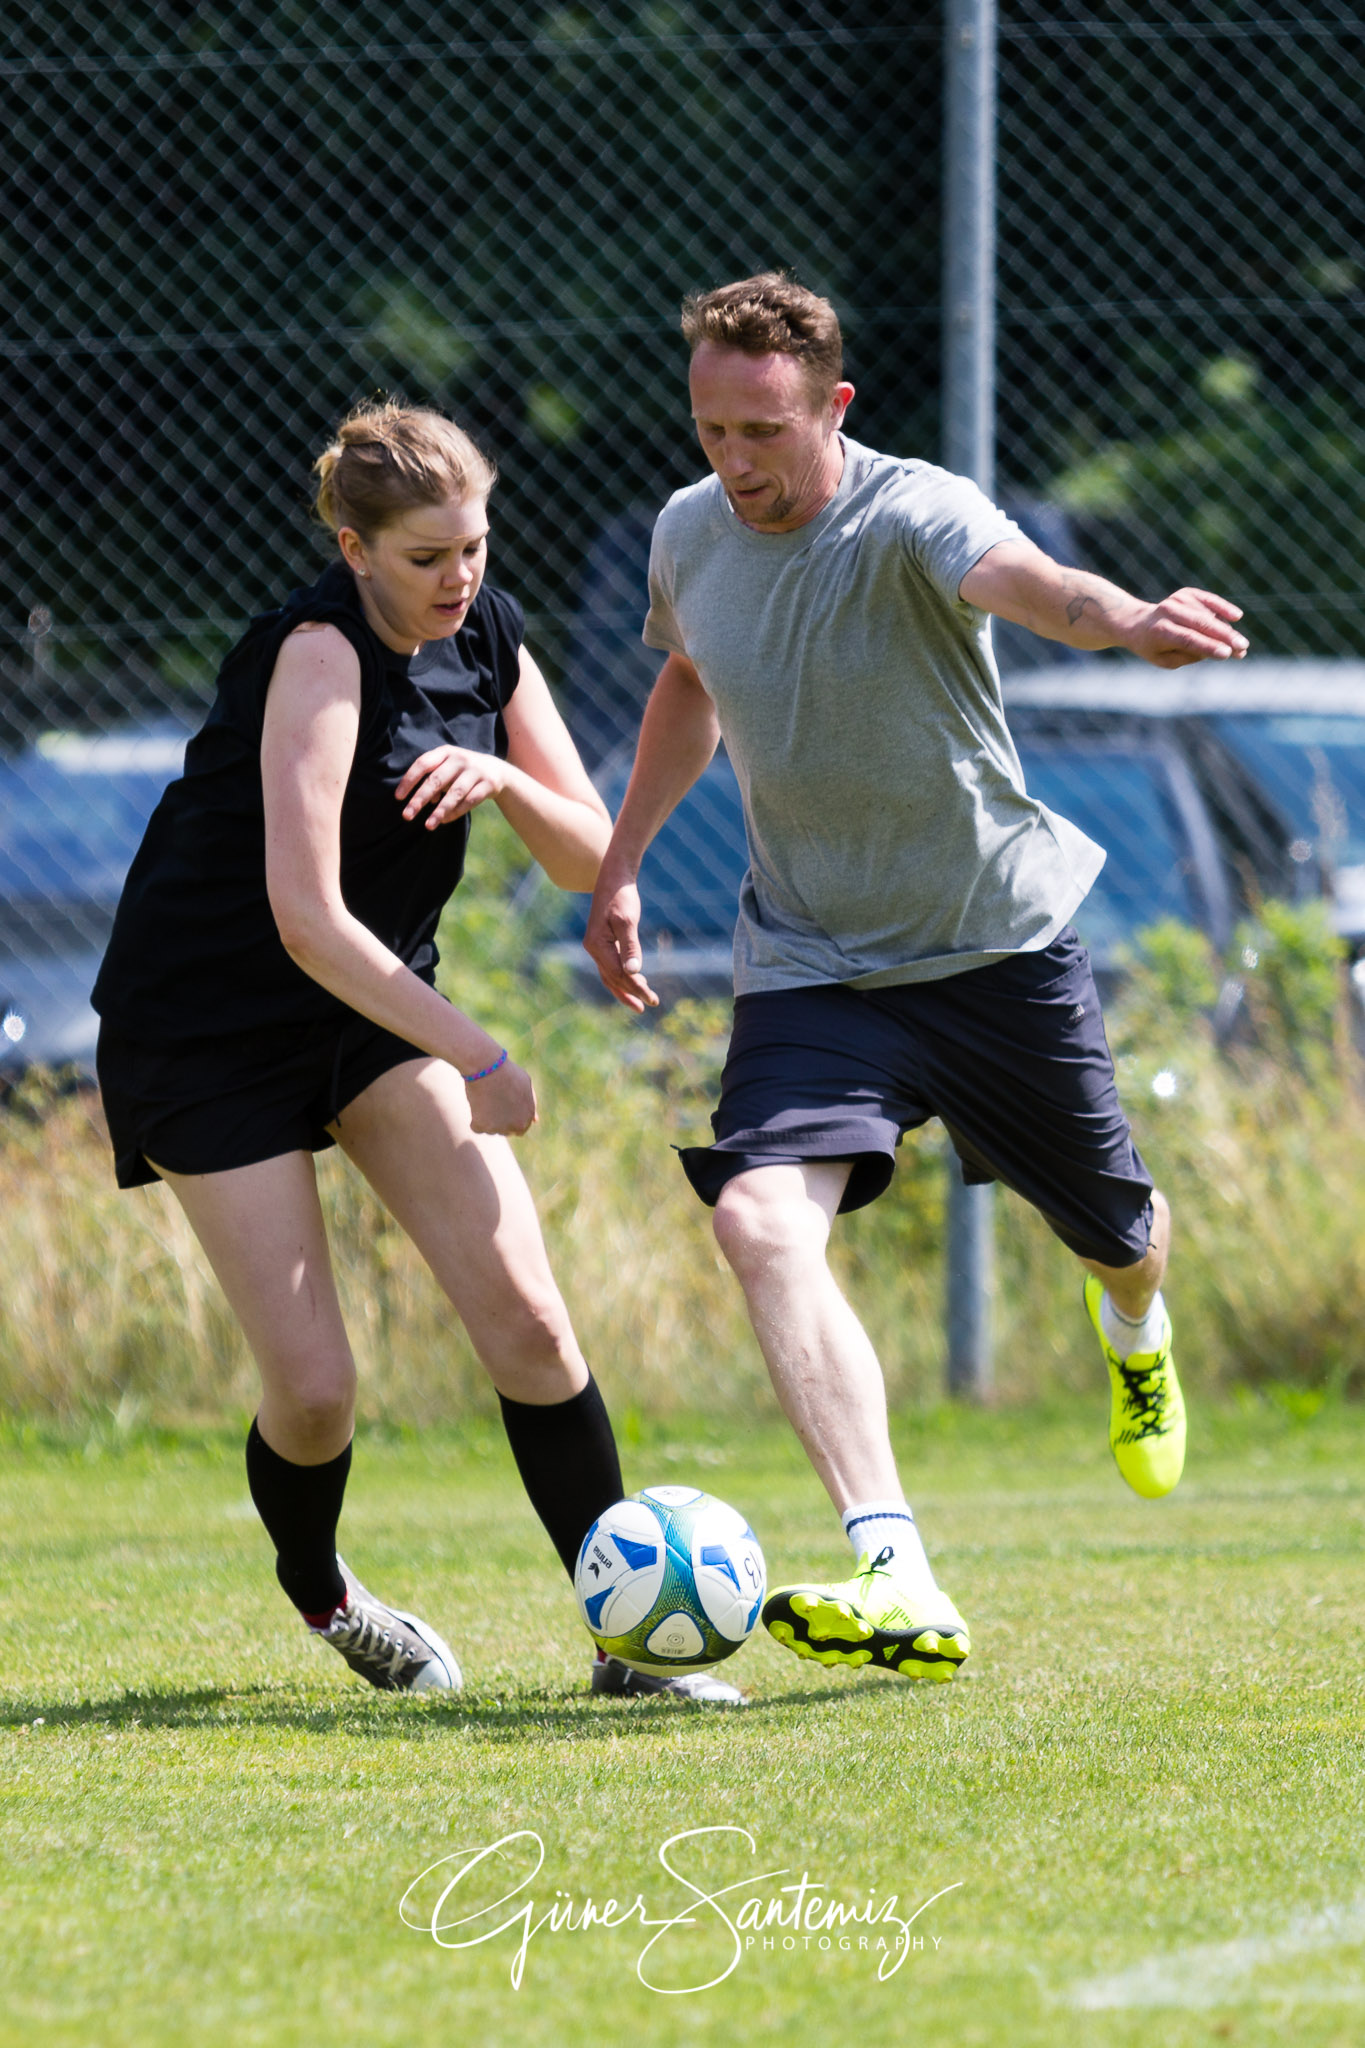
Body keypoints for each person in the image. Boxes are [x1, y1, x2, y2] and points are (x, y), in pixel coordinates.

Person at [585, 275, 1249, 1684]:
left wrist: (1123, 617)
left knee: (1116, 1234)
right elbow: (688, 679)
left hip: (990, 946)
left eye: (761, 428)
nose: (734, 461)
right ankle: (897, 1569)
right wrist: (622, 858)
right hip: (811, 960)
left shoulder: (909, 508)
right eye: (710, 428)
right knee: (760, 1222)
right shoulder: (687, 530)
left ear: (830, 406)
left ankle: (1133, 1326)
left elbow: (1033, 585)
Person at [92, 400, 743, 1703]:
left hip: (369, 1019)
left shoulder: (488, 638)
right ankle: (326, 1594)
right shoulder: (316, 657)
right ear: (353, 547)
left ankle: (627, 1654)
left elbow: (581, 851)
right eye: (426, 557)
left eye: (476, 549)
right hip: (207, 1026)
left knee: (528, 1319)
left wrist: (501, 779)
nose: (460, 579)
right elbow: (307, 916)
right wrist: (482, 1054)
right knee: (319, 1392)